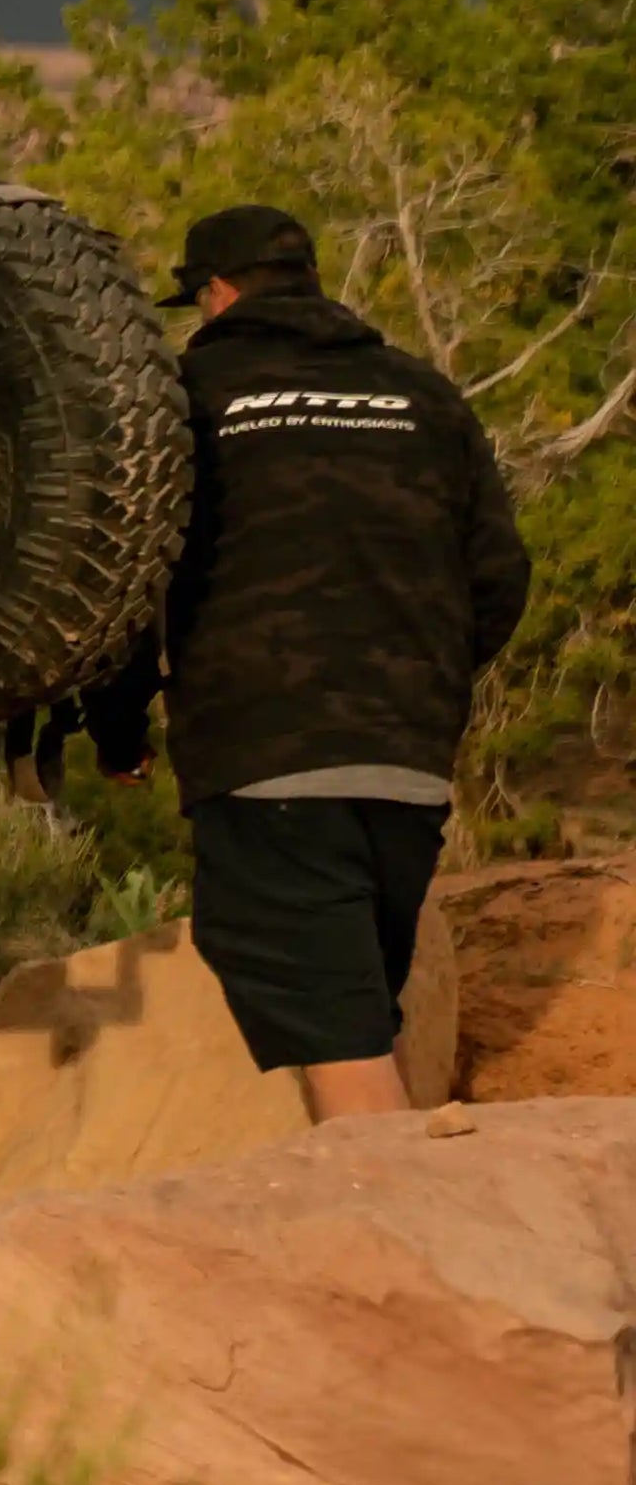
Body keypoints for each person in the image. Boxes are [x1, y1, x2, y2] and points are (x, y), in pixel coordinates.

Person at [93, 204, 527, 1120]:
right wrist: (424, 684)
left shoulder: (187, 400)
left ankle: (391, 1246)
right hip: (408, 760)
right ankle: (421, 1221)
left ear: (214, 293)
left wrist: (118, 730)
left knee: (337, 1039)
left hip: (268, 757)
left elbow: (134, 586)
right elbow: (499, 577)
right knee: (364, 1011)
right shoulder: (422, 392)